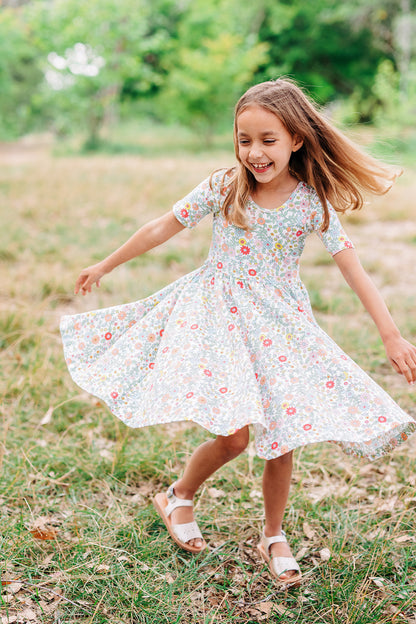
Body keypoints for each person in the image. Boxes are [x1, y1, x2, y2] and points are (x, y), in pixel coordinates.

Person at [60, 78, 416, 587]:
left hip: (281, 326)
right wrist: (106, 263)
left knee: (283, 436)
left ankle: (273, 534)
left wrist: (392, 336)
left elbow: (354, 271)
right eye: (244, 139)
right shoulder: (225, 186)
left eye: (268, 140)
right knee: (234, 437)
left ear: (296, 138)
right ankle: (178, 495)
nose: (254, 152)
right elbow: (163, 225)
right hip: (220, 316)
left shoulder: (312, 204)